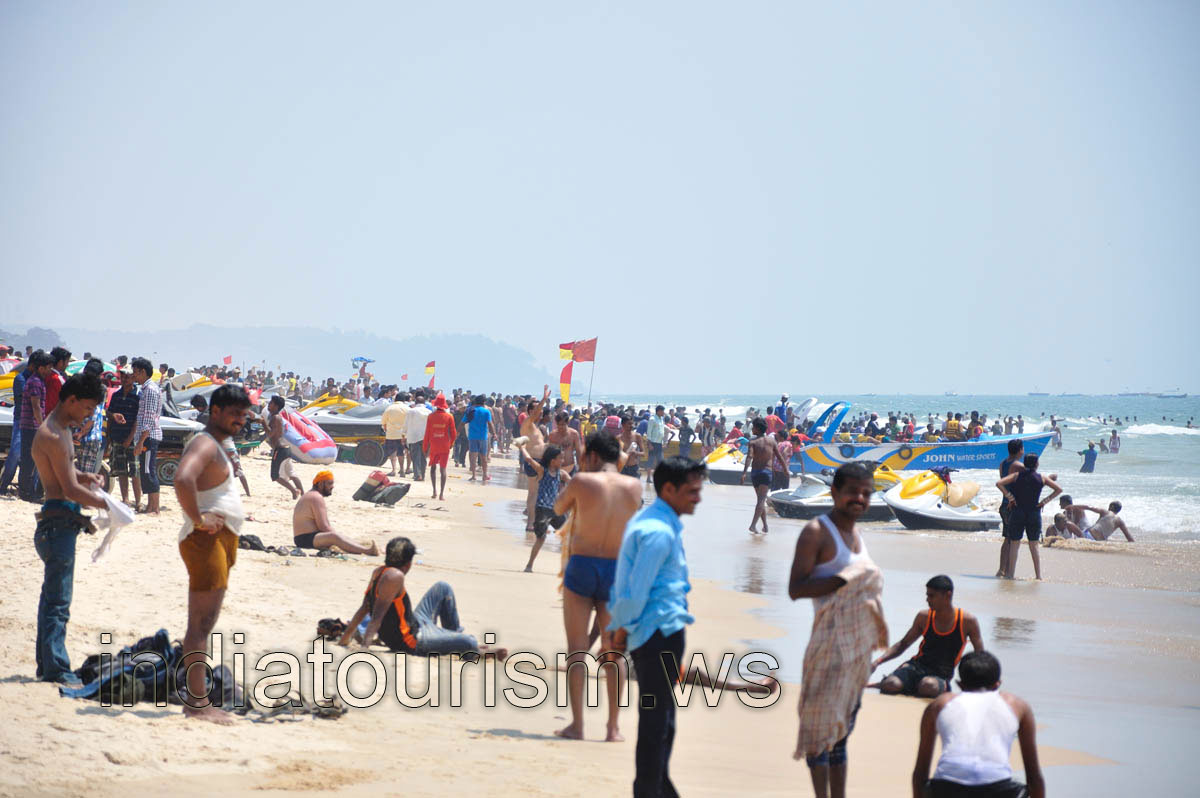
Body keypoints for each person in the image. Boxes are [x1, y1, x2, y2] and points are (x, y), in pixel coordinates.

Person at [787, 461, 888, 798]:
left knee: (842, 733)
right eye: (852, 492)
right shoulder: (817, 532)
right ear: (834, 492)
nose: (859, 498)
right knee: (819, 734)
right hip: (829, 649)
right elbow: (796, 588)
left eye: (866, 493)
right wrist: (845, 580)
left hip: (856, 654)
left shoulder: (858, 534)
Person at [607, 456, 705, 798]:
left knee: (663, 720)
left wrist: (620, 628)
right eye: (692, 491)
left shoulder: (654, 522)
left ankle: (662, 789)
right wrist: (619, 631)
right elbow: (634, 593)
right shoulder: (658, 533)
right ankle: (649, 790)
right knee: (655, 722)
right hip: (656, 637)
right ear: (668, 489)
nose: (698, 498)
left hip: (656, 635)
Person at [552, 431, 643, 742]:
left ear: (591, 456)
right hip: (616, 572)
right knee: (612, 655)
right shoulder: (634, 486)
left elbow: (558, 508)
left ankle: (577, 725)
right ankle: (612, 727)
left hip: (582, 565)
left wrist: (578, 478)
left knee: (577, 650)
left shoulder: (582, 481)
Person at [173, 384, 253, 723]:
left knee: (204, 623)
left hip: (219, 540)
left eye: (244, 415)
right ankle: (197, 703)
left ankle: (198, 700)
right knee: (201, 624)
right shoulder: (205, 443)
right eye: (233, 413)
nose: (239, 420)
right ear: (214, 411)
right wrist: (198, 518)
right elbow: (181, 479)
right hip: (206, 540)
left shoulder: (216, 444)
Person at [31, 373, 107, 686]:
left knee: (52, 599)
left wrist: (85, 475)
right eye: (87, 408)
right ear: (71, 400)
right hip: (57, 522)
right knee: (58, 603)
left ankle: (47, 665)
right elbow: (68, 489)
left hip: (60, 522)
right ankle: (56, 669)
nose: (89, 414)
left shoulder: (60, 429)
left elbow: (66, 473)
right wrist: (108, 506)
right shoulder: (52, 433)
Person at [337, 536, 507, 659]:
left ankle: (452, 637)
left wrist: (345, 639)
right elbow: (376, 617)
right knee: (469, 641)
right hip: (412, 641)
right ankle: (467, 648)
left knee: (442, 588)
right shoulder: (395, 577)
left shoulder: (379, 571)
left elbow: (364, 607)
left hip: (415, 623)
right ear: (408, 563)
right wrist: (365, 648)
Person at [911, 651, 1044, 798]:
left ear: (959, 684)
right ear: (997, 684)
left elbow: (920, 772)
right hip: (998, 790)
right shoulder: (1017, 705)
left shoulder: (940, 704)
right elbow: (1034, 777)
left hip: (947, 788)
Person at [871, 575, 983, 698]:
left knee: (928, 686)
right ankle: (888, 683)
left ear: (948, 595)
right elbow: (902, 644)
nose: (927, 600)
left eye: (932, 596)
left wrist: (977, 685)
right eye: (927, 595)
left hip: (940, 675)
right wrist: (877, 662)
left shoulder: (967, 621)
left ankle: (911, 688)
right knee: (891, 684)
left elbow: (980, 656)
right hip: (916, 667)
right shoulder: (923, 617)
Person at [996, 454, 1062, 580]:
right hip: (1034, 513)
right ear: (1036, 464)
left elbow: (999, 483)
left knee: (1015, 544)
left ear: (1024, 464)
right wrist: (1044, 501)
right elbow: (1058, 489)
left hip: (1017, 512)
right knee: (1034, 545)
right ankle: (1038, 576)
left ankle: (1010, 574)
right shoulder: (1041, 478)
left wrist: (1010, 497)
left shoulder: (1016, 476)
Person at [292, 471, 380, 554]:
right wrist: (338, 537)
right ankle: (367, 551)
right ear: (320, 484)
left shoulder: (312, 495)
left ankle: (364, 547)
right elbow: (323, 526)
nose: (332, 486)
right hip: (305, 539)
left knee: (339, 536)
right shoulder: (316, 497)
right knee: (335, 537)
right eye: (329, 483)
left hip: (307, 537)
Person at [518, 443, 573, 571]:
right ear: (553, 460)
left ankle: (568, 568)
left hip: (555, 510)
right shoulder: (542, 471)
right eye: (561, 458)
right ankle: (529, 564)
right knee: (541, 538)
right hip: (542, 509)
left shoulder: (562, 474)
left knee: (568, 536)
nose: (562, 461)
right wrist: (522, 448)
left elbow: (573, 482)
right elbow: (529, 460)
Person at [740, 418, 787, 534]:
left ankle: (765, 526)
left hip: (755, 473)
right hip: (766, 473)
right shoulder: (771, 441)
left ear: (758, 428)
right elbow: (780, 457)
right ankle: (753, 525)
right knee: (761, 501)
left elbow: (749, 457)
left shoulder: (753, 442)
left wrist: (744, 472)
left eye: (753, 427)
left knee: (760, 500)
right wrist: (785, 469)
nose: (752, 429)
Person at [105, 366, 142, 507]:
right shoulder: (116, 395)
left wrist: (130, 439)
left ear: (133, 378)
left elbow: (139, 420)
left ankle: (138, 501)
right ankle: (125, 499)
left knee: (135, 471)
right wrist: (109, 436)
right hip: (117, 437)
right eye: (123, 376)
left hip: (132, 439)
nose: (125, 379)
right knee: (121, 471)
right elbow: (109, 414)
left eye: (128, 376)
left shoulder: (139, 395)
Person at [18, 351, 53, 501]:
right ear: (41, 368)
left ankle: (28, 491)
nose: (50, 370)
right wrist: (42, 426)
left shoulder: (36, 381)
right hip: (31, 426)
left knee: (31, 459)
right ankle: (26, 492)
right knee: (29, 460)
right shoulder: (36, 382)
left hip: (31, 425)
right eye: (48, 367)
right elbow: (36, 407)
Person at [131, 357, 163, 515]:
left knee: (148, 470)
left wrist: (141, 441)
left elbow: (149, 419)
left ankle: (154, 507)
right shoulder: (147, 389)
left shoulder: (150, 390)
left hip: (149, 438)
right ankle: (151, 505)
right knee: (146, 470)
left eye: (135, 372)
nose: (134, 376)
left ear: (143, 372)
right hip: (147, 437)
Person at [518, 386, 551, 529]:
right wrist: (544, 399)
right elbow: (536, 412)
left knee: (533, 493)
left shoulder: (536, 427)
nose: (541, 412)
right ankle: (531, 523)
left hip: (538, 462)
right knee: (534, 493)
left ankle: (531, 521)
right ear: (531, 411)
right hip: (533, 461)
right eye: (538, 410)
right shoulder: (528, 423)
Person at [995, 440, 1024, 578]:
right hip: (1013, 505)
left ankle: (1002, 569)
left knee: (1007, 538)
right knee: (1011, 540)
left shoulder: (1003, 464)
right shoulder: (1018, 465)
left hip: (1004, 503)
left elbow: (1004, 483)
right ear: (1020, 450)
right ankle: (1006, 571)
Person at [266, 395, 303, 498]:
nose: (269, 405)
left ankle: (294, 491)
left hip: (280, 450)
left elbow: (270, 434)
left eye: (271, 403)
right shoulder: (278, 417)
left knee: (275, 476)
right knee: (292, 474)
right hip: (286, 449)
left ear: (276, 406)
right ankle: (303, 494)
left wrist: (262, 423)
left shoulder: (275, 417)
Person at [423, 393, 457, 500]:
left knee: (433, 468)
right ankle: (442, 494)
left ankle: (434, 492)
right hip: (445, 445)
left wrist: (425, 448)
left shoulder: (431, 416)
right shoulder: (449, 417)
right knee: (443, 469)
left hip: (434, 444)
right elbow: (453, 433)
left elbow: (427, 433)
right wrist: (451, 444)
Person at [464, 393, 496, 483]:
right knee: (483, 457)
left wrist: (457, 432)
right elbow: (490, 423)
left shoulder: (470, 410)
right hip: (483, 437)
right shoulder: (486, 411)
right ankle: (484, 475)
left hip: (472, 436)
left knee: (473, 457)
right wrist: (494, 433)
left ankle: (473, 475)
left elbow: (463, 422)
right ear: (484, 402)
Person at [1068, 501, 1134, 541]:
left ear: (1112, 507)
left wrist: (1072, 506)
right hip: (1099, 542)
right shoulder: (1120, 522)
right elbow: (1130, 538)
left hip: (1088, 536)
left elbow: (1089, 507)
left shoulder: (1105, 512)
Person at [406, 391, 432, 482]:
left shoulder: (411, 411)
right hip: (425, 437)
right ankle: (422, 474)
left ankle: (417, 475)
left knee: (415, 457)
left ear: (415, 403)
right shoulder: (429, 412)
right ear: (424, 403)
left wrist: (403, 435)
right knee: (423, 457)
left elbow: (406, 424)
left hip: (413, 437)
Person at [549, 410, 585, 475]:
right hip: (557, 470)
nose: (560, 427)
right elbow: (549, 454)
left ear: (568, 423)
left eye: (563, 424)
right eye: (558, 424)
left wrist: (580, 467)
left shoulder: (574, 434)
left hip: (570, 468)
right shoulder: (552, 435)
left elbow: (578, 451)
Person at [381, 391, 408, 477]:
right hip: (402, 435)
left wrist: (385, 429)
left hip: (391, 434)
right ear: (403, 400)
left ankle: (393, 470)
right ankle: (402, 470)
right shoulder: (407, 408)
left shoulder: (389, 408)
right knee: (401, 453)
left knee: (392, 453)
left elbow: (383, 421)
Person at [644, 405, 670, 483]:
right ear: (658, 411)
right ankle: (648, 478)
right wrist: (649, 444)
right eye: (662, 411)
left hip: (659, 443)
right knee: (651, 461)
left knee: (660, 461)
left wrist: (663, 443)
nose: (663, 412)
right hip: (653, 443)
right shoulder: (652, 419)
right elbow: (649, 432)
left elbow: (662, 431)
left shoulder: (662, 419)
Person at [616, 414, 646, 480]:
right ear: (623, 425)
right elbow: (615, 455)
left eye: (632, 424)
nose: (631, 426)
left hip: (634, 468)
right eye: (629, 424)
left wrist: (635, 453)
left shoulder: (637, 436)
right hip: (622, 468)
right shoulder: (618, 438)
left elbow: (643, 453)